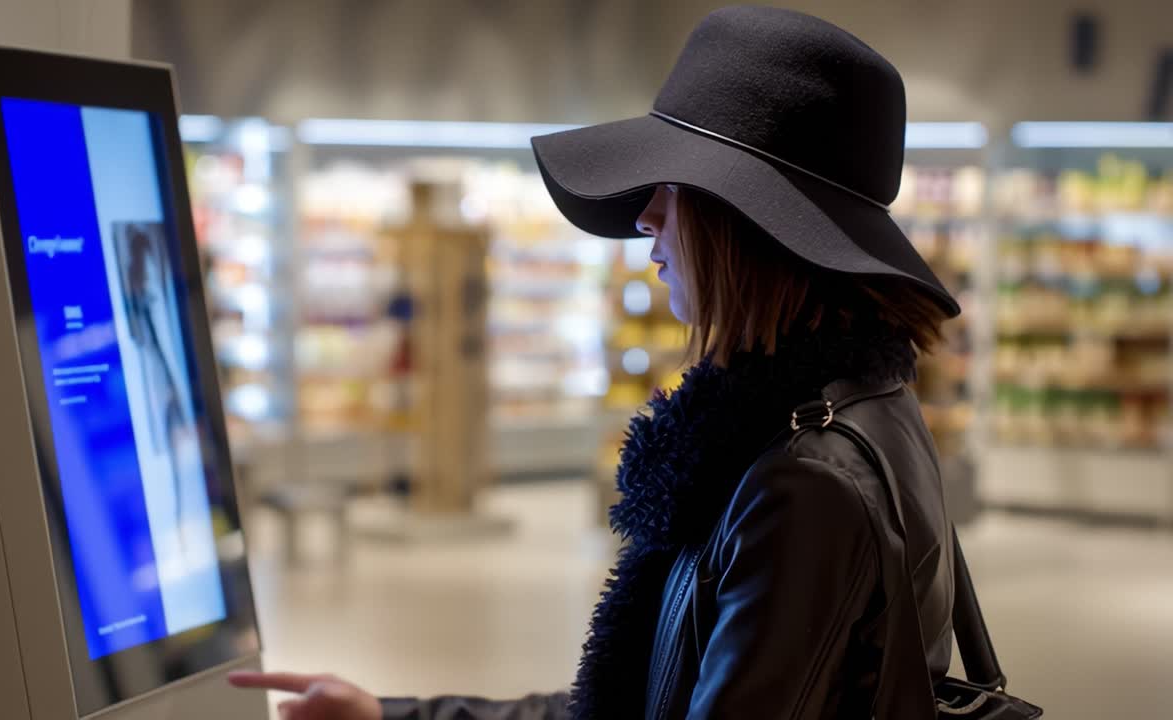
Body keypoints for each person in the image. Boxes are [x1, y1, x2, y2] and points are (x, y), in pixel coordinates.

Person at [230, 6, 959, 719]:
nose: (646, 216)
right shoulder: (856, 411)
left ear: (748, 222)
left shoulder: (803, 483)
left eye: (672, 189)